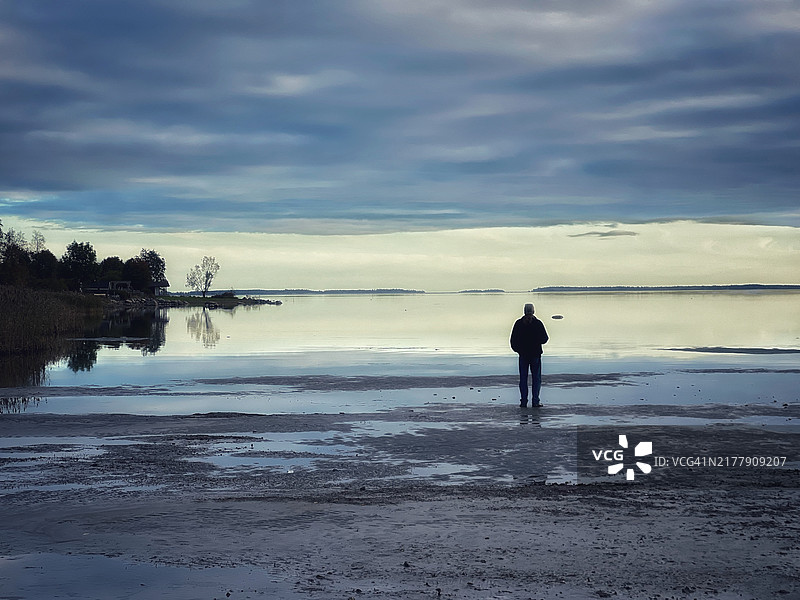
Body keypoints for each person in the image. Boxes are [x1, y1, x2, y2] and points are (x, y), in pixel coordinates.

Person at [510, 303, 549, 408]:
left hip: (523, 355)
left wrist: (518, 350)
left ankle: (523, 401)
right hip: (535, 354)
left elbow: (513, 340)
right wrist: (536, 340)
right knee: (536, 379)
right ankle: (535, 401)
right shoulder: (537, 323)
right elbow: (545, 338)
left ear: (524, 311)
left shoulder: (519, 323)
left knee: (523, 378)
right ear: (533, 311)